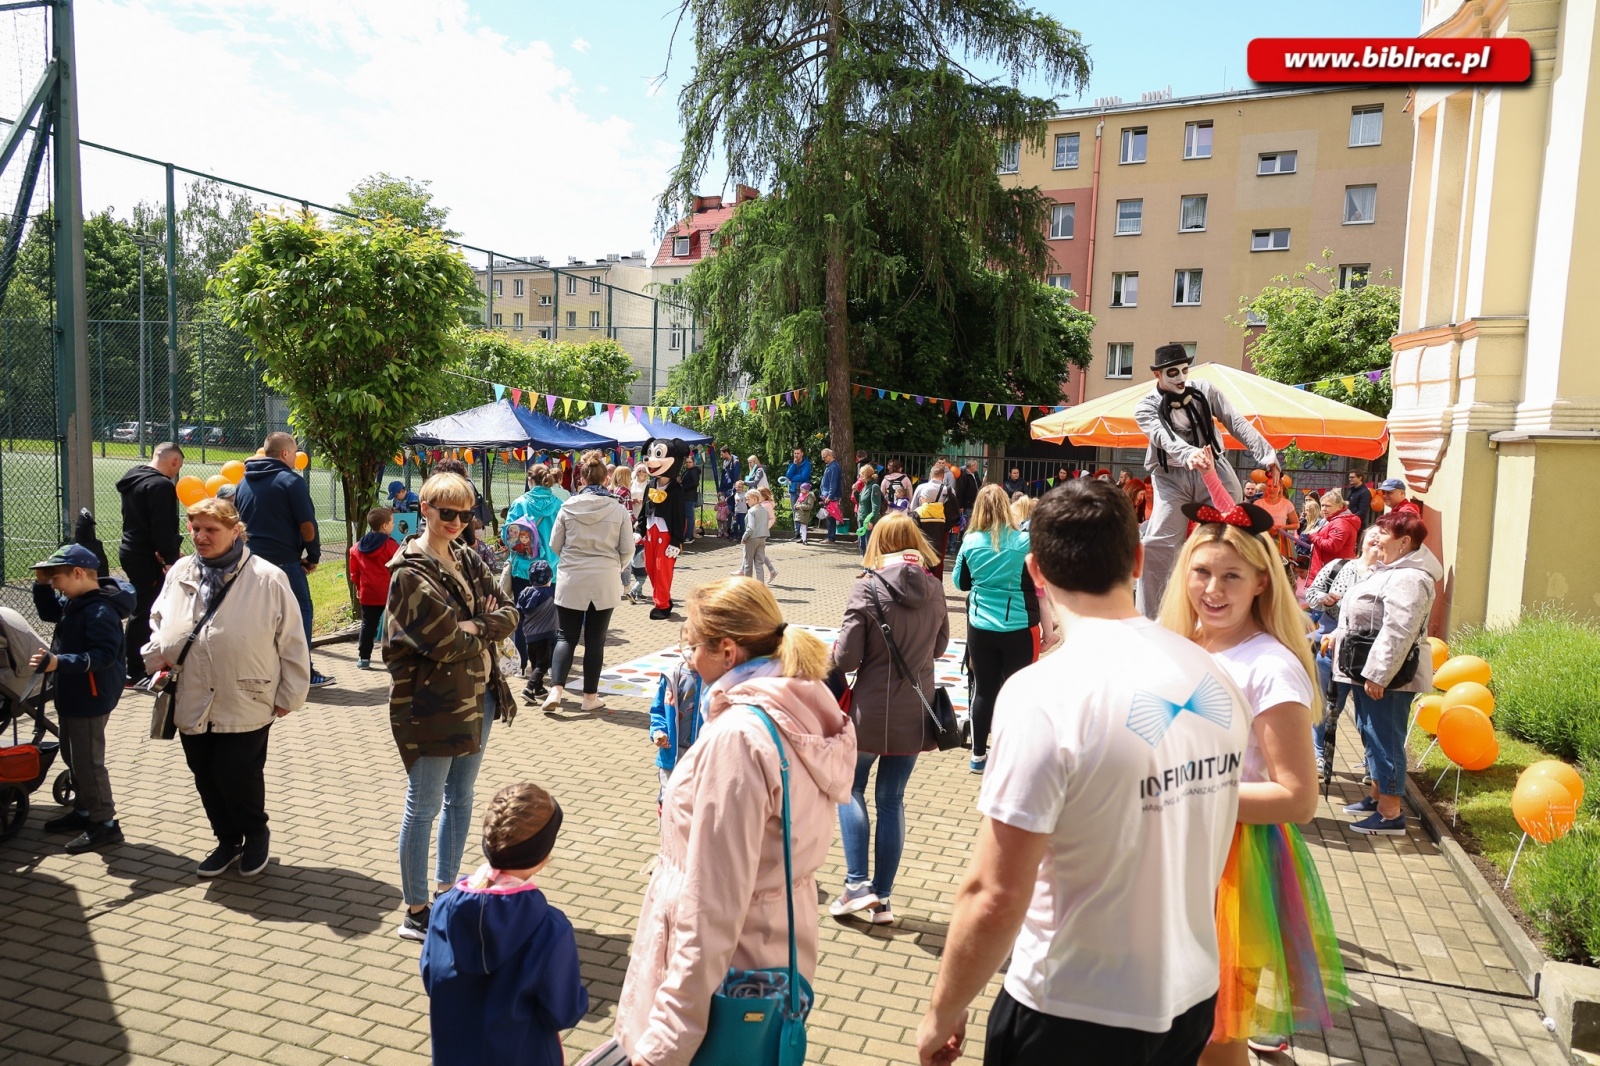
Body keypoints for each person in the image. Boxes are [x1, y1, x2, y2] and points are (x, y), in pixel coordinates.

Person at [915, 481, 1251, 1066]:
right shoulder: (1213, 674)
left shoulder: (1044, 694)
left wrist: (943, 1009)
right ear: (1139, 557)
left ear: (1036, 570)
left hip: (1074, 1006)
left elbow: (994, 893)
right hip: (1191, 994)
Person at [612, 577, 855, 1065]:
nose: (685, 656)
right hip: (772, 950)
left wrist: (664, 1042)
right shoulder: (801, 706)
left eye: (690, 643)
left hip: (723, 978)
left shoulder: (740, 738)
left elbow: (712, 907)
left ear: (727, 651)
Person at [1158, 500, 1347, 1063]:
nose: (1213, 589)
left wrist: (1185, 794)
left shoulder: (1270, 665)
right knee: (1169, 1028)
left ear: (1262, 582)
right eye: (1202, 572)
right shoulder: (1182, 641)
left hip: (1232, 866)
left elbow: (1298, 798)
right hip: (1166, 852)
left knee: (1216, 1038)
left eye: (1231, 576)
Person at [144, 497, 311, 878]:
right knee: (203, 772)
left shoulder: (267, 577)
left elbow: (293, 641)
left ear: (236, 531)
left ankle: (255, 834)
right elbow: (158, 617)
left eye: (211, 530)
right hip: (192, 691)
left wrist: (290, 694)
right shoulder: (181, 570)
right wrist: (159, 653)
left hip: (246, 694)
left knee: (237, 773)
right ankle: (226, 839)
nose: (200, 537)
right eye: (195, 528)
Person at [384, 472, 519, 942]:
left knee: (460, 800)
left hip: (478, 695)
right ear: (425, 509)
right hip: (432, 703)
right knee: (422, 807)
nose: (457, 522)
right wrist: (483, 626)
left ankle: (446, 891)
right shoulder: (410, 570)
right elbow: (441, 640)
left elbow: (509, 610)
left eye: (465, 513)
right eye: (447, 512)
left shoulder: (465, 555)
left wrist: (476, 624)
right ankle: (415, 909)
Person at [829, 513, 947, 926]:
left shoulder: (867, 587)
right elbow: (941, 647)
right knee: (892, 799)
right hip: (915, 709)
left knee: (850, 788)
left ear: (878, 543)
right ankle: (883, 898)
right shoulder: (934, 587)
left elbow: (846, 658)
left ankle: (857, 883)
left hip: (869, 709)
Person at [420, 782, 588, 1065]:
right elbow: (564, 1011)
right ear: (544, 855)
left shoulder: (444, 907)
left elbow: (430, 976)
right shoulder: (550, 928)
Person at [1134, 344, 1279, 619]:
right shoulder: (1145, 407)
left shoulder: (1206, 391)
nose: (1180, 378)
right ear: (1158, 375)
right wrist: (1190, 455)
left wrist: (1266, 454)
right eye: (1173, 373)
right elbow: (1163, 436)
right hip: (1170, 476)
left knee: (1236, 531)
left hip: (1215, 466)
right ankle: (1152, 620)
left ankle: (1245, 607)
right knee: (1157, 546)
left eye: (1184, 371)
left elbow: (1236, 422)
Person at [1329, 510, 1442, 835]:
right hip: (1367, 671)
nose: (1376, 537)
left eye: (1384, 532)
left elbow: (1399, 629)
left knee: (1385, 739)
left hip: (1389, 678)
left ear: (1405, 542)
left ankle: (1391, 813)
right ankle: (1377, 797)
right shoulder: (1391, 569)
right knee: (1369, 732)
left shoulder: (1410, 577)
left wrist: (1379, 674)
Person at [30, 544, 134, 853]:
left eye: (56, 578)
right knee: (71, 753)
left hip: (91, 696)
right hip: (74, 692)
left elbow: (103, 656)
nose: (55, 584)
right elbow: (50, 611)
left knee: (89, 762)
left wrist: (59, 662)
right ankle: (85, 810)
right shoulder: (78, 600)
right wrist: (41, 585)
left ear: (78, 574)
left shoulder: (100, 611)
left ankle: (105, 824)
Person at [235, 432, 332, 687]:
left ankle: (262, 669)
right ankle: (303, 673)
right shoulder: (291, 481)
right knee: (300, 613)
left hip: (251, 561)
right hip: (284, 561)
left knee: (260, 617)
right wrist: (313, 556)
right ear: (286, 454)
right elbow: (307, 525)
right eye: (295, 452)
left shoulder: (244, 481)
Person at [542, 452, 635, 712]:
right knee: (596, 640)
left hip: (572, 578)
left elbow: (554, 544)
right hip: (604, 578)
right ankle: (589, 698)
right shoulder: (617, 509)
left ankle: (556, 689)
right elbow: (628, 548)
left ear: (581, 477)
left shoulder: (567, 507)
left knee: (565, 637)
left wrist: (573, 560)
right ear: (606, 478)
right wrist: (617, 566)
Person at [953, 484, 1035, 774]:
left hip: (981, 624)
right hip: (1017, 625)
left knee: (985, 690)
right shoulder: (1024, 540)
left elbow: (959, 582)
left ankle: (977, 755)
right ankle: (1012, 754)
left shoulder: (970, 541)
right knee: (1016, 690)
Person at [1307, 526, 1382, 775]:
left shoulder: (1388, 574)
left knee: (1369, 716)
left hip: (1369, 652)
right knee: (1328, 708)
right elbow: (1312, 593)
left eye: (1383, 535)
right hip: (1332, 648)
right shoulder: (1339, 566)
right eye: (1373, 533)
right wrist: (1324, 598)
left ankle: (1372, 767)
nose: (1377, 538)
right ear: (1361, 541)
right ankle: (1320, 757)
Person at [116, 442, 185, 687]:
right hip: (148, 554)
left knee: (143, 605)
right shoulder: (162, 485)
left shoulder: (132, 477)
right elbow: (162, 526)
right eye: (178, 468)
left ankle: (135, 665)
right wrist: (170, 559)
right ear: (174, 462)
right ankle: (135, 670)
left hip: (131, 549)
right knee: (146, 609)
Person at [348, 507, 399, 669]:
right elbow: (398, 568)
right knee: (395, 625)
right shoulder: (391, 546)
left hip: (368, 592)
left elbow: (354, 573)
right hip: (390, 593)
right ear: (384, 525)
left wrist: (358, 587)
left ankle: (364, 658)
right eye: (392, 522)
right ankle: (395, 658)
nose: (393, 525)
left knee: (367, 625)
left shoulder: (356, 548)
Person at [649, 658, 703, 806]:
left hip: (702, 754)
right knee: (668, 800)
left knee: (697, 802)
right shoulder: (671, 676)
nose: (692, 650)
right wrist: (658, 731)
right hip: (672, 753)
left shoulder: (715, 678)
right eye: (689, 644)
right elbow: (658, 710)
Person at [507, 465, 563, 580]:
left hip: (523, 570)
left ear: (530, 480)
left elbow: (507, 537)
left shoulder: (519, 504)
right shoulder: (560, 505)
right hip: (551, 571)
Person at [514, 560, 557, 703]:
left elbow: (518, 612)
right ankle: (528, 688)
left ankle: (539, 689)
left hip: (528, 636)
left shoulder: (525, 592)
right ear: (549, 579)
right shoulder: (550, 593)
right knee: (543, 665)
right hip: (545, 635)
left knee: (535, 664)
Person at [1304, 488, 1361, 582]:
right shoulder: (1335, 520)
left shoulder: (1340, 523)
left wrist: (1314, 536)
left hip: (1334, 572)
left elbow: (1332, 546)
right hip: (1332, 569)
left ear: (1340, 507)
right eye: (1322, 506)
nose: (1324, 509)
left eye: (1328, 506)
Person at [911, 460, 954, 579]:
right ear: (943, 476)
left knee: (921, 552)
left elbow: (913, 507)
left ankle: (921, 580)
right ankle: (936, 583)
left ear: (931, 475)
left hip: (922, 523)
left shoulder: (921, 487)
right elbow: (953, 510)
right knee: (939, 555)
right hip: (942, 525)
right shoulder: (949, 490)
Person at [738, 488, 774, 584]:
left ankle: (748, 587)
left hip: (752, 538)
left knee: (748, 564)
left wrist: (744, 537)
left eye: (747, 499)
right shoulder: (764, 510)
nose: (746, 501)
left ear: (754, 498)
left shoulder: (751, 511)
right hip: (762, 538)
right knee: (759, 564)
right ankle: (760, 587)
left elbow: (750, 527)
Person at [855, 463, 884, 560]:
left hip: (868, 520)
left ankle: (870, 570)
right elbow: (860, 502)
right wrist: (855, 492)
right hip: (861, 518)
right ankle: (865, 568)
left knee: (869, 544)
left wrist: (871, 520)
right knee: (862, 544)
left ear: (866, 475)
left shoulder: (874, 486)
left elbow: (876, 506)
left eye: (861, 474)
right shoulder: (864, 486)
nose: (860, 476)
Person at [820, 447, 844, 542]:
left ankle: (831, 537)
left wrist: (829, 496)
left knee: (830, 517)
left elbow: (833, 483)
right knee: (829, 517)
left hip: (831, 497)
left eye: (824, 457)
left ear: (830, 456)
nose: (823, 459)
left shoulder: (834, 467)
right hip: (827, 496)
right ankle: (830, 536)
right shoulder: (831, 466)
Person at [680, 452, 702, 544]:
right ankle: (687, 534)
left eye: (690, 462)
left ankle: (689, 536)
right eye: (687, 462)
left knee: (689, 517)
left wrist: (683, 487)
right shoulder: (687, 471)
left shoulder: (693, 471)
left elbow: (695, 483)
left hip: (689, 497)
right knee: (687, 517)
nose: (688, 464)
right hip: (686, 497)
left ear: (693, 463)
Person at [954, 459, 981, 532]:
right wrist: (960, 505)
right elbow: (960, 491)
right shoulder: (964, 476)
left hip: (975, 503)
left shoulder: (975, 474)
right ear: (971, 466)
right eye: (975, 465)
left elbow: (979, 485)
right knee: (967, 524)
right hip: (967, 503)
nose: (977, 467)